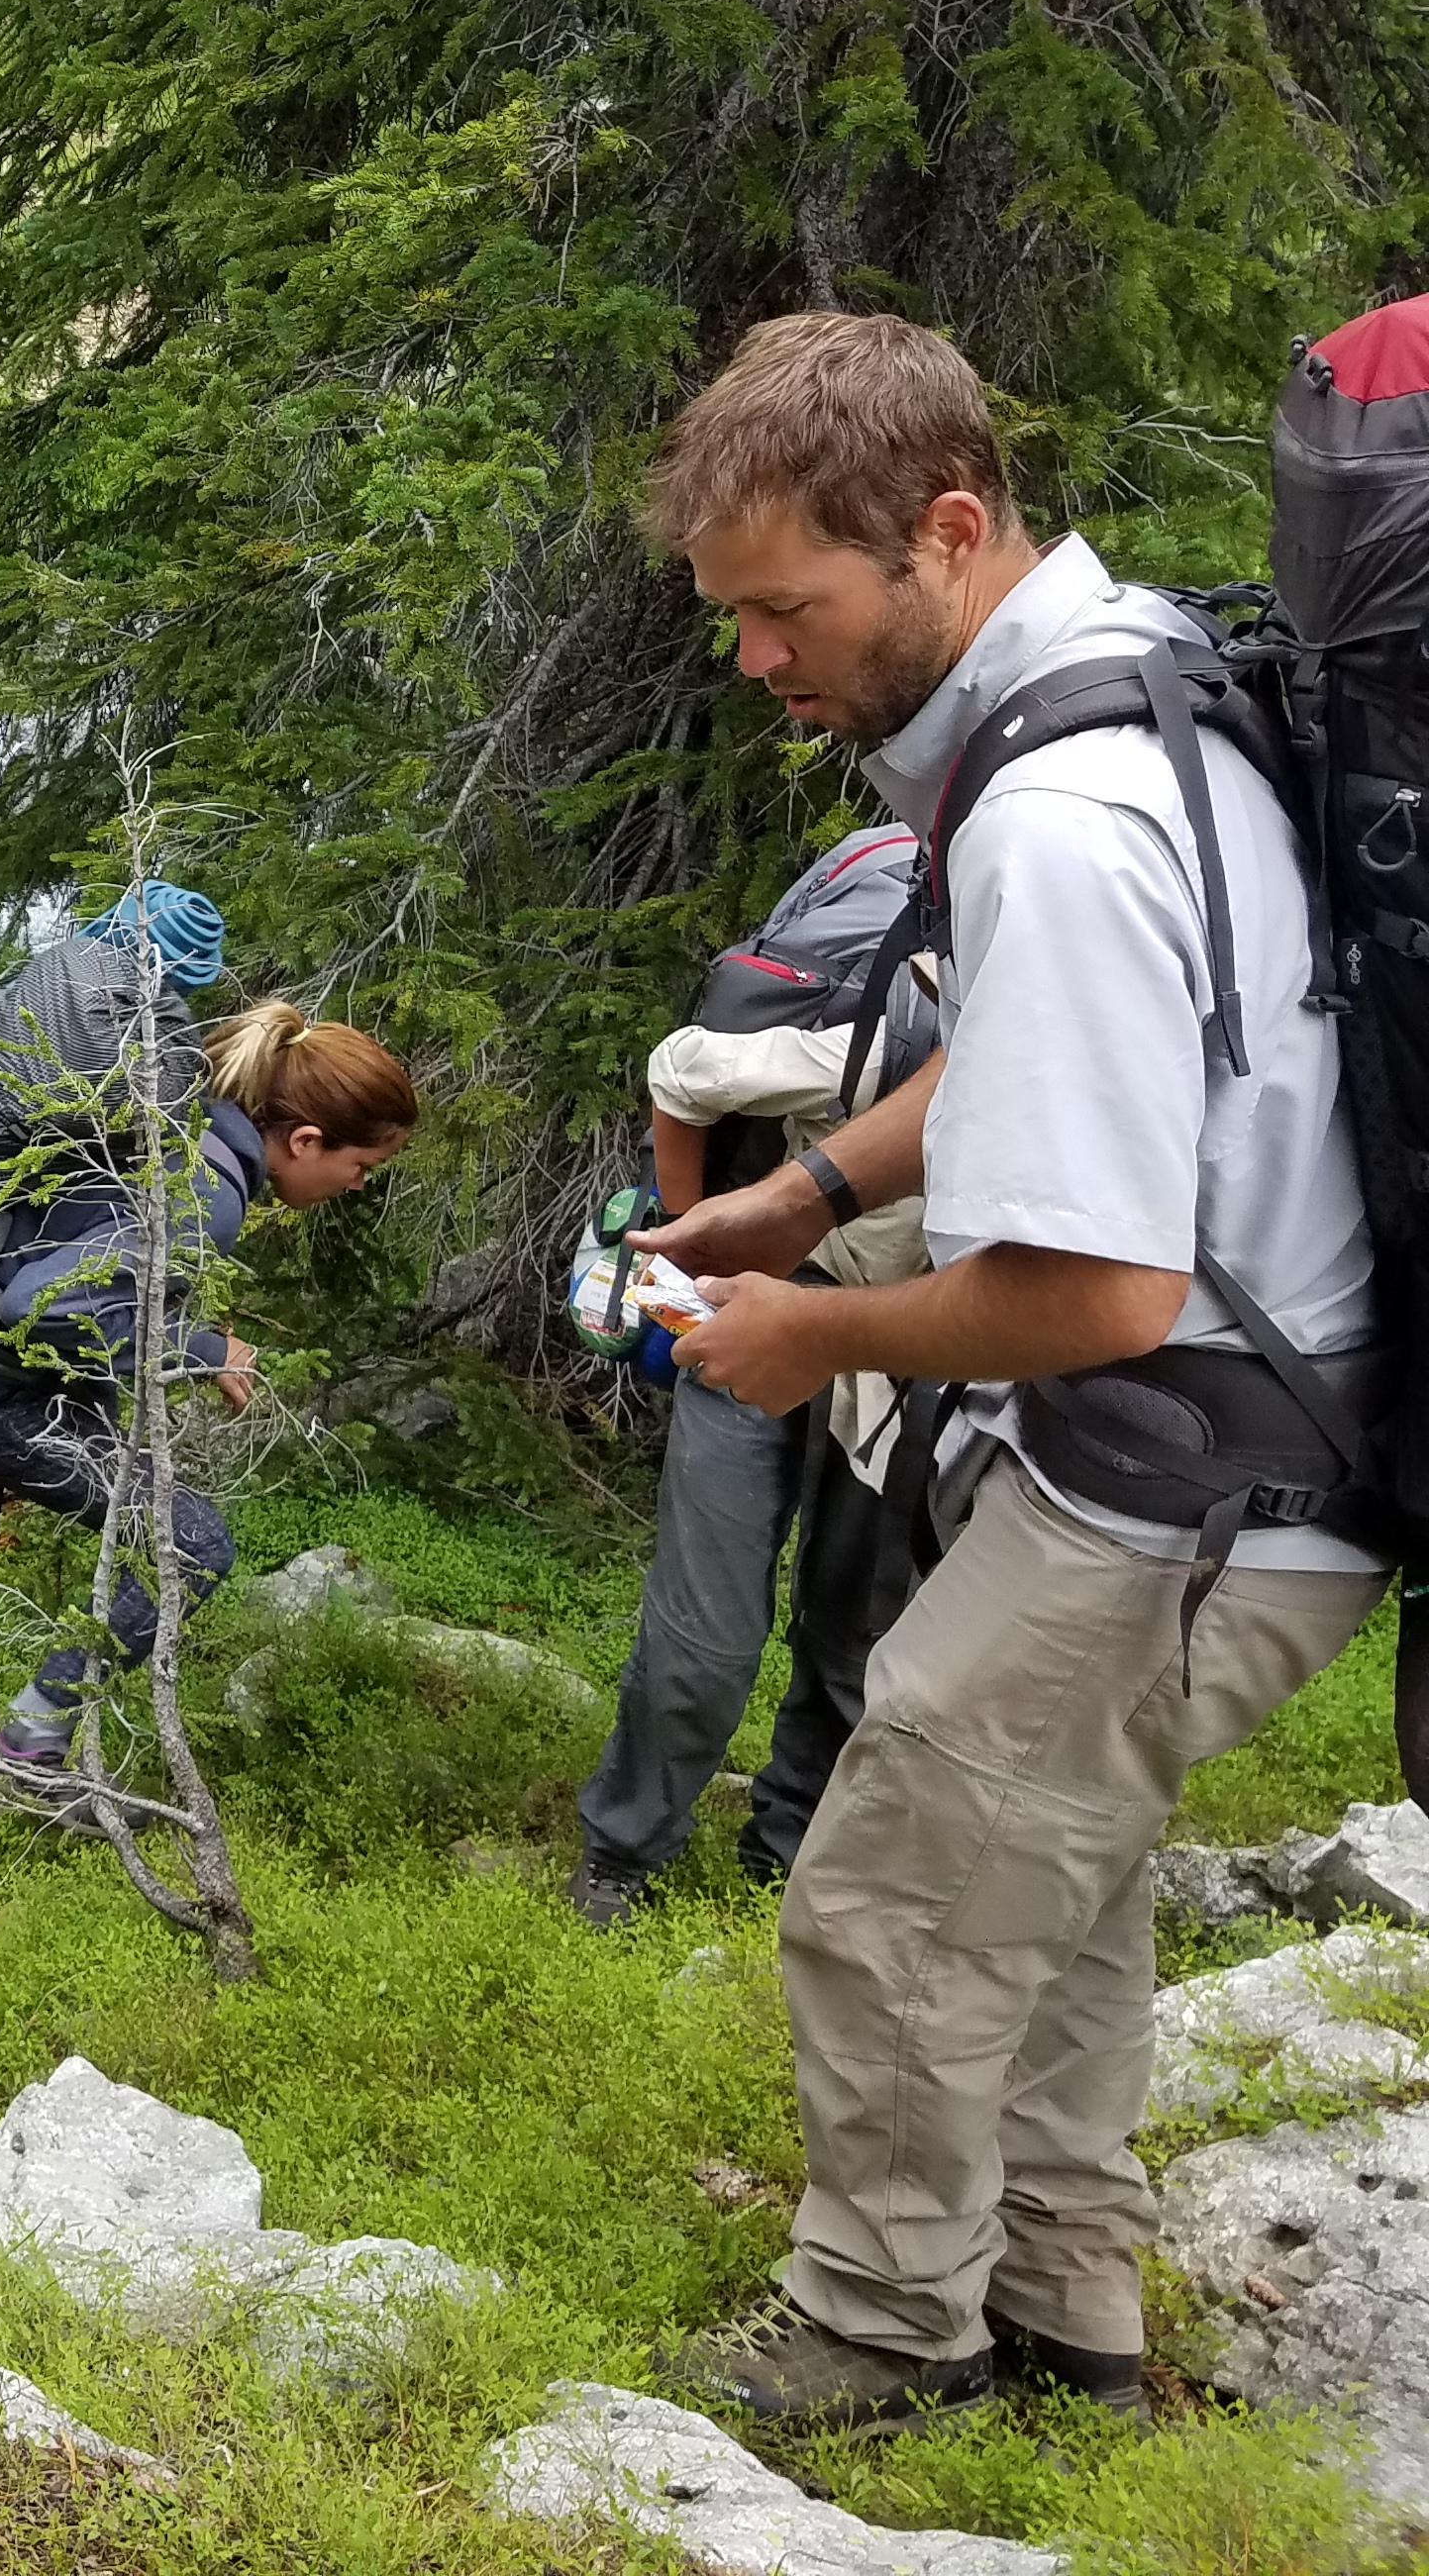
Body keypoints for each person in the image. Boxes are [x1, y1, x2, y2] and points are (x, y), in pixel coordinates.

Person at [643, 311, 1385, 2430]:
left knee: (890, 1899)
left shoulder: (1051, 820)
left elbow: (1095, 1291)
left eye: (787, 607)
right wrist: (810, 1196)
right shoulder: (1132, 677)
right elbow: (1058, 1052)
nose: (758, 659)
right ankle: (1071, 2317)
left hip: (1187, 1475)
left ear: (946, 533)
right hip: (1259, 1449)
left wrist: (814, 1333)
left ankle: (880, 2342)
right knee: (1046, 1886)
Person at [0, 1000, 419, 1907]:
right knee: (194, 1544)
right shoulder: (209, 1188)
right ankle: (31, 1740)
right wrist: (197, 1352)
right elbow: (50, 1309)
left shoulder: (174, 1110)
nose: (359, 1184)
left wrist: (179, 1330)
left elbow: (77, 1256)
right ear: (307, 1139)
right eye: (363, 1165)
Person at [571, 828, 940, 1927]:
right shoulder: (882, 1042)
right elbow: (681, 1072)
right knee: (708, 1624)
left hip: (908, 1345)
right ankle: (621, 1857)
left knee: (857, 1622)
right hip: (762, 1315)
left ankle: (787, 1854)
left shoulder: (1071, 1047)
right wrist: (689, 1239)